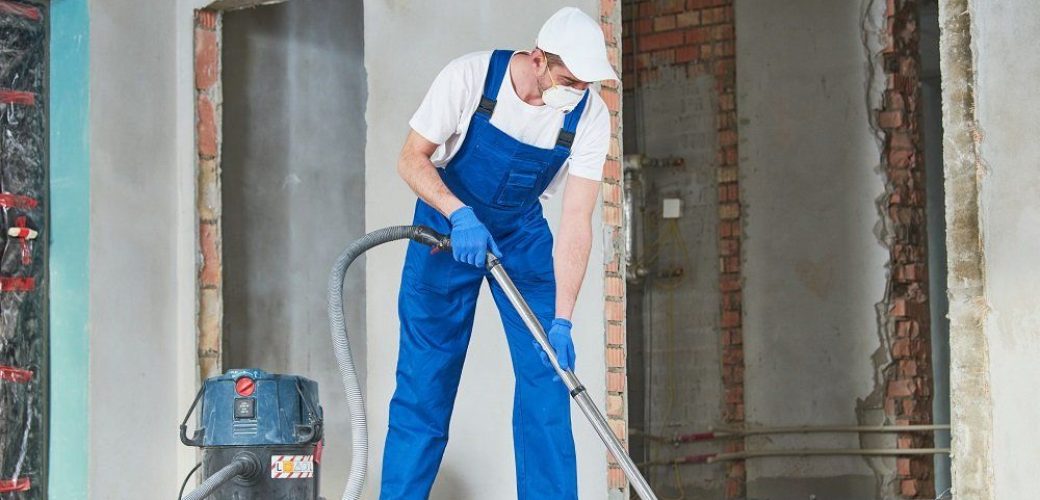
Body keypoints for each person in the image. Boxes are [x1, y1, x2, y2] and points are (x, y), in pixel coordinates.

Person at [383, 7, 617, 499]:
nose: (577, 94)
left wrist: (564, 319)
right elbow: (411, 157)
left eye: (586, 84)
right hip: (447, 228)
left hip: (521, 233)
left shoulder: (590, 114)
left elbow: (576, 221)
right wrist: (457, 212)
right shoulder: (470, 77)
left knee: (549, 376)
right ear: (538, 59)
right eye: (570, 81)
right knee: (426, 383)